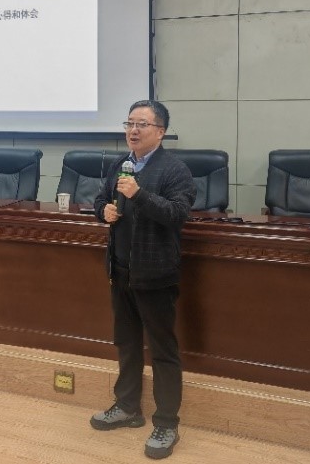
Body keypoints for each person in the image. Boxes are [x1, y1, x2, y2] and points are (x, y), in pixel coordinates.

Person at [90, 100, 196, 460]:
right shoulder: (120, 165)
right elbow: (100, 199)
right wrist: (103, 211)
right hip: (120, 271)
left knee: (163, 350)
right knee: (127, 342)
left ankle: (166, 422)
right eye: (129, 123)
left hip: (155, 275)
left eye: (142, 124)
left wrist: (139, 194)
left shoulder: (175, 170)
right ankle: (127, 407)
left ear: (160, 132)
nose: (133, 130)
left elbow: (177, 214)